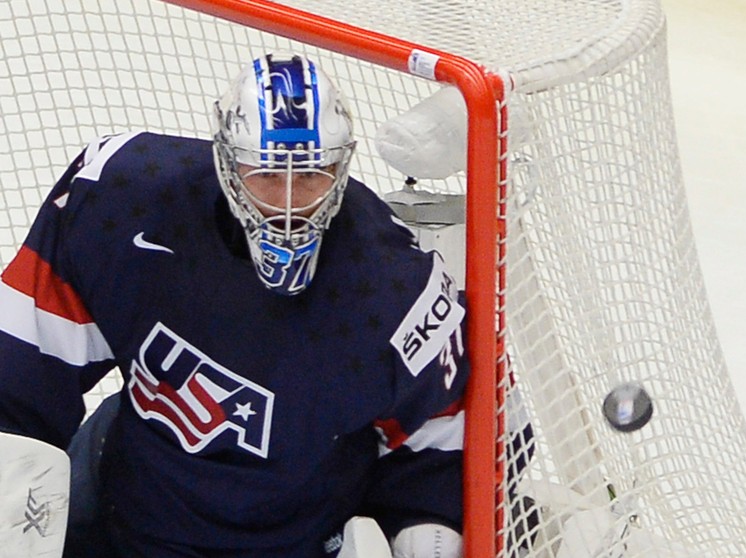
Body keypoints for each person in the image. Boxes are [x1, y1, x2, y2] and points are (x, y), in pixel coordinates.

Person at [0, 53, 468, 557]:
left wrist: (429, 524)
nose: (289, 204)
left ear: (342, 165)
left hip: (294, 539)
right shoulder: (126, 198)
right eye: (266, 174)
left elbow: (441, 443)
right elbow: (23, 363)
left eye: (311, 175)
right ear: (225, 160)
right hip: (119, 509)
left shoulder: (396, 287)